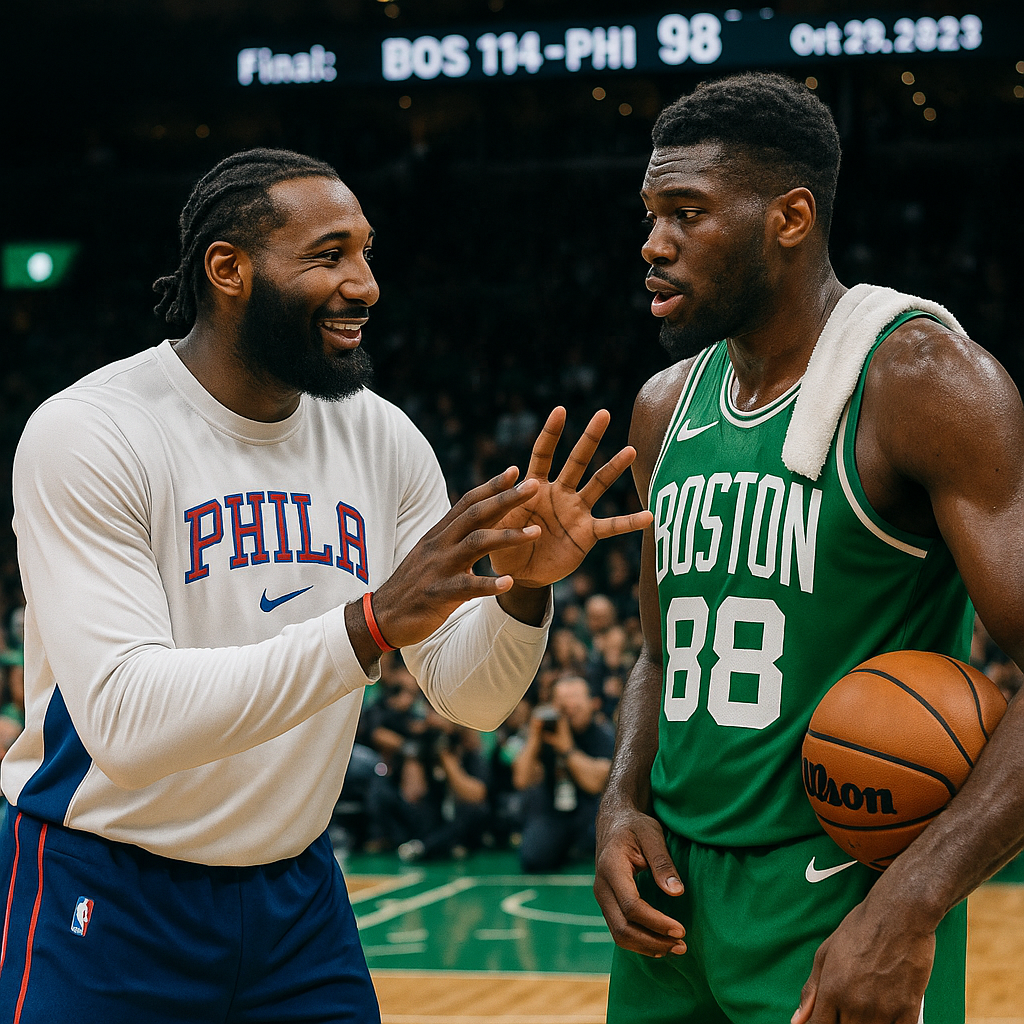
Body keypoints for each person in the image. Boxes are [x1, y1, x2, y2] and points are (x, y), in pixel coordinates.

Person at [0, 148, 652, 1023]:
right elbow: (125, 722)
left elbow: (471, 697)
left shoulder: (381, 439)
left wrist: (523, 594)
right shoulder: (90, 432)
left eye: (367, 251)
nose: (367, 283)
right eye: (329, 254)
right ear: (227, 269)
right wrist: (372, 623)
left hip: (297, 899)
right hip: (106, 887)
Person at [593, 72, 1024, 1024]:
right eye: (650, 213)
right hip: (671, 904)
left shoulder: (923, 380)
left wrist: (914, 900)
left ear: (790, 217)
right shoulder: (665, 407)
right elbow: (662, 654)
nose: (652, 244)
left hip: (839, 897)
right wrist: (622, 800)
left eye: (686, 213)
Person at [513, 674, 614, 871]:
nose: (569, 709)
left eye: (576, 701)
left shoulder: (602, 734)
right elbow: (521, 780)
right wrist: (534, 736)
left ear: (591, 703)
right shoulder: (545, 733)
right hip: (553, 810)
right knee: (533, 857)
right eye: (563, 704)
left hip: (591, 811)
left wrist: (567, 749)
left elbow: (596, 783)